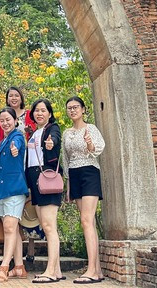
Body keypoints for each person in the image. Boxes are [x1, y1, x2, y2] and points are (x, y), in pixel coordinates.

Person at [63, 97, 106, 284]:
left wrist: (89, 143)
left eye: (75, 107)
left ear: (83, 109)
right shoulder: (67, 133)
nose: (72, 111)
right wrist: (68, 184)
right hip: (74, 174)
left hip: (89, 171)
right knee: (87, 223)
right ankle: (97, 270)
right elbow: (65, 159)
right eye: (69, 108)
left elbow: (97, 149)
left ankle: (91, 270)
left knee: (86, 220)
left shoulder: (91, 129)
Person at [26, 98, 63, 284]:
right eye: (36, 110)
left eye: (43, 110)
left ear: (49, 113)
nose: (39, 113)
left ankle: (49, 271)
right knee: (48, 227)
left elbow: (54, 140)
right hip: (36, 182)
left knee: (49, 227)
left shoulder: (52, 128)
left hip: (48, 181)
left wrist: (51, 143)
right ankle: (56, 271)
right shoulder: (34, 133)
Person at [2, 86, 38, 266]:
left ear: (21, 97)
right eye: (11, 96)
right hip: (14, 166)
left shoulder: (30, 115)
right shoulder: (5, 118)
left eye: (17, 95)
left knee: (29, 207)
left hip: (29, 161)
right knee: (14, 214)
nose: (14, 98)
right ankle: (17, 259)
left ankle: (30, 248)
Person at [0, 107, 29, 282]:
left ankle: (4, 266)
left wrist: (15, 149)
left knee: (8, 227)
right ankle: (19, 267)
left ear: (15, 121)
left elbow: (18, 146)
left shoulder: (17, 137)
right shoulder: (2, 141)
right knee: (12, 229)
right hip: (3, 190)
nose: (5, 123)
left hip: (14, 189)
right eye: (2, 120)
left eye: (8, 119)